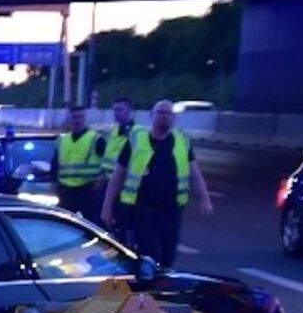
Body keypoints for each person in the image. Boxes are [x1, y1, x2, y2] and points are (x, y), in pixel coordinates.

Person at [101, 99, 212, 269]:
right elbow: (118, 176)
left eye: (168, 113)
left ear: (174, 118)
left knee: (168, 257)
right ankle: (149, 289)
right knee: (152, 256)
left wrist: (205, 199)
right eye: (160, 112)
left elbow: (194, 174)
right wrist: (107, 207)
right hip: (143, 210)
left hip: (171, 211)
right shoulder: (136, 141)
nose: (164, 117)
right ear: (152, 116)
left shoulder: (181, 142)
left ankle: (161, 289)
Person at [52, 106, 104, 224]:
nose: (77, 120)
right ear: (69, 119)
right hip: (66, 190)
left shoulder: (96, 139)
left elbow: (107, 162)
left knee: (90, 225)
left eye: (80, 117)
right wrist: (54, 183)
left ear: (85, 119)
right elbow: (55, 164)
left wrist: (101, 179)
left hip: (88, 189)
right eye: (74, 117)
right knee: (64, 225)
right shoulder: (62, 140)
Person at [100, 97, 138, 239]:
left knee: (125, 230)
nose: (116, 113)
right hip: (109, 186)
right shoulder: (114, 132)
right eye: (115, 110)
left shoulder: (137, 134)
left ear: (130, 112)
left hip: (126, 190)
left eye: (120, 110)